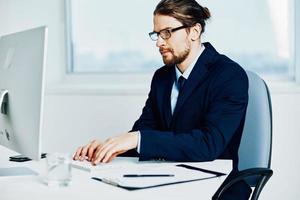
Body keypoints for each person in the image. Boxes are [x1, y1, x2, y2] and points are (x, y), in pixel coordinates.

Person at [73, 0, 252, 199]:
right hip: (170, 182)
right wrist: (109, 147)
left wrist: (137, 139)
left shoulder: (229, 75)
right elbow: (145, 131)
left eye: (167, 32)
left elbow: (208, 145)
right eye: (156, 34)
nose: (159, 42)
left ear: (194, 31)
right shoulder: (162, 77)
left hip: (216, 187)